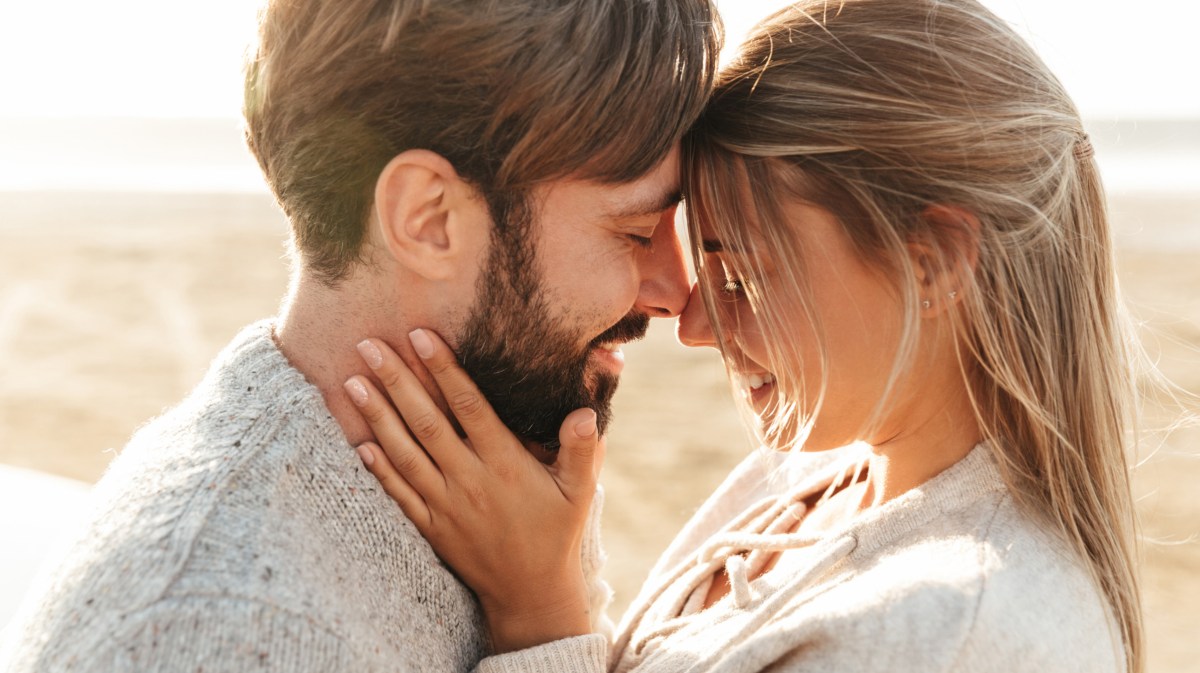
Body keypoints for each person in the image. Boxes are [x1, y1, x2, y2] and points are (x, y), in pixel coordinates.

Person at [347, 0, 1145, 671]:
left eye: (743, 279)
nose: (695, 325)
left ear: (931, 262)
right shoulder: (812, 473)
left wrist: (539, 616)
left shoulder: (957, 633)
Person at [0, 0, 719, 671]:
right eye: (634, 231)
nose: (676, 293)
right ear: (428, 217)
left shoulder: (505, 495)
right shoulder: (225, 628)